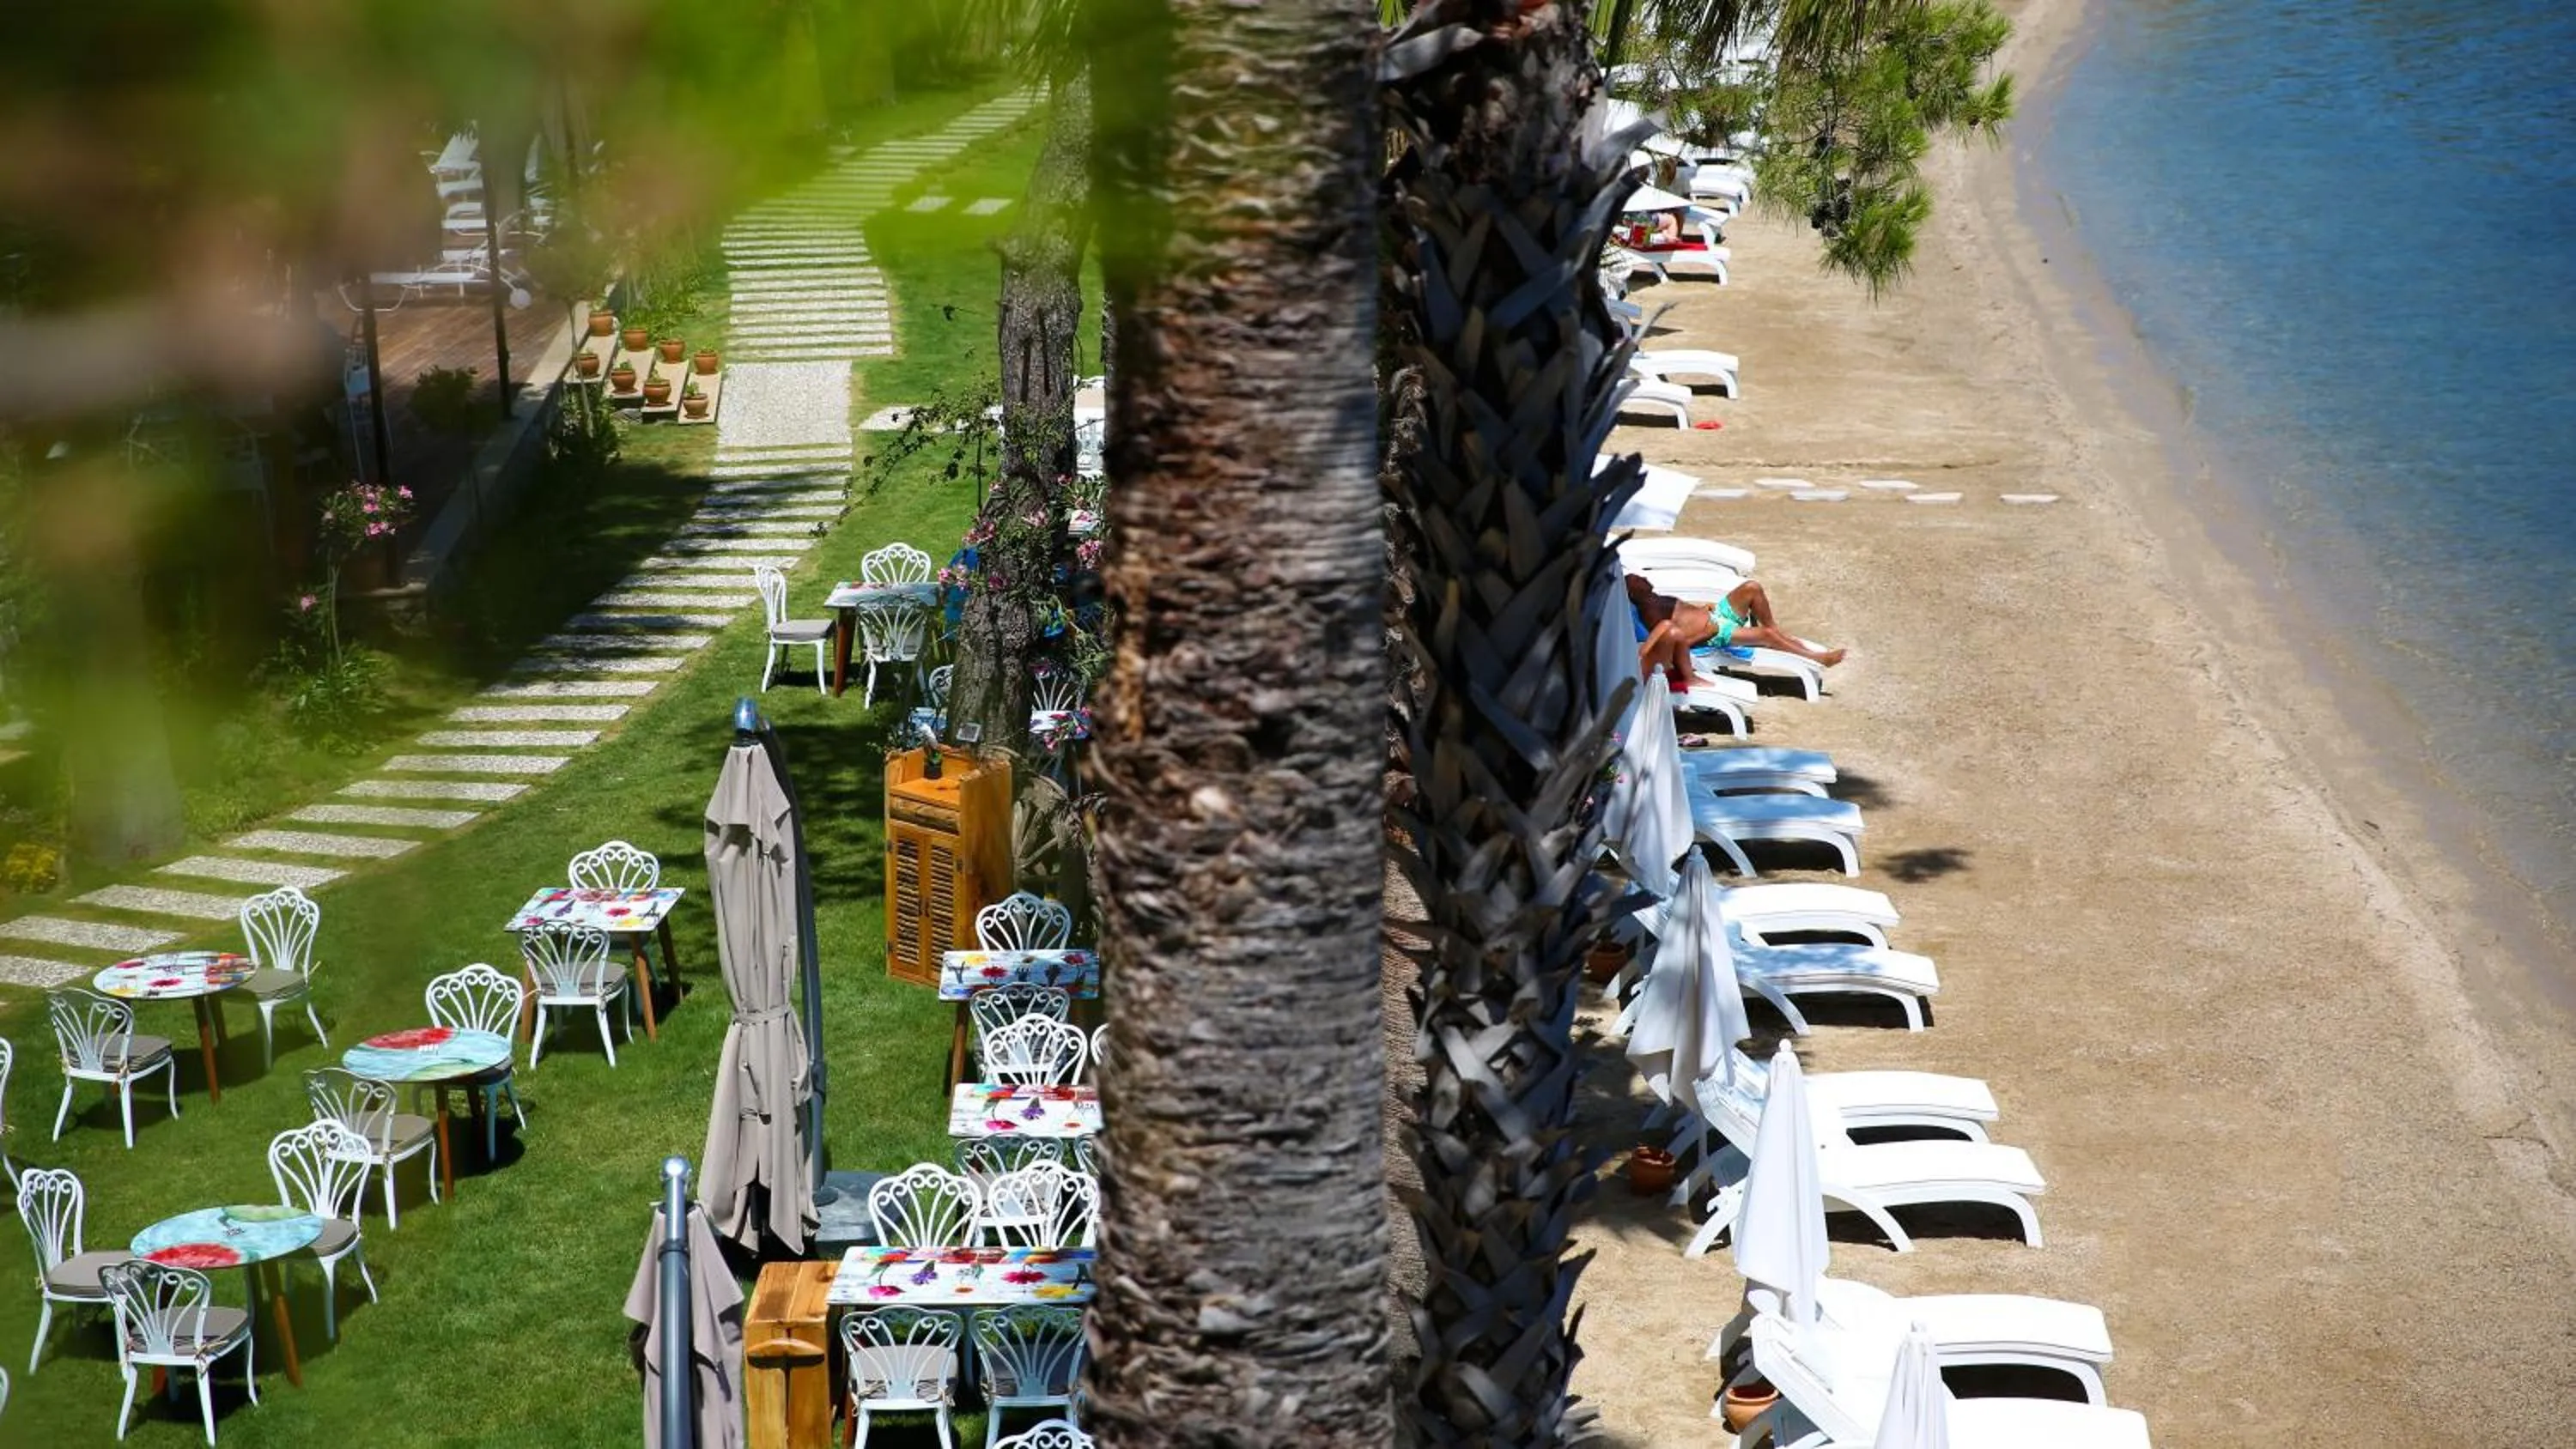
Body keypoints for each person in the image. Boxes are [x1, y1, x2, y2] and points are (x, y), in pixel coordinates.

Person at [1628, 573, 1846, 687]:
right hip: (1714, 632)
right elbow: (1672, 640)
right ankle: (1819, 658)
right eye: (1637, 579)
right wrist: (1706, 632)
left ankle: (1779, 635)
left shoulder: (1654, 598)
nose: (1644, 578)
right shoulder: (1650, 610)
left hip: (1715, 616)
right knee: (1765, 635)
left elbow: (1683, 614)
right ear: (1633, 590)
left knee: (1752, 588)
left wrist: (1702, 609)